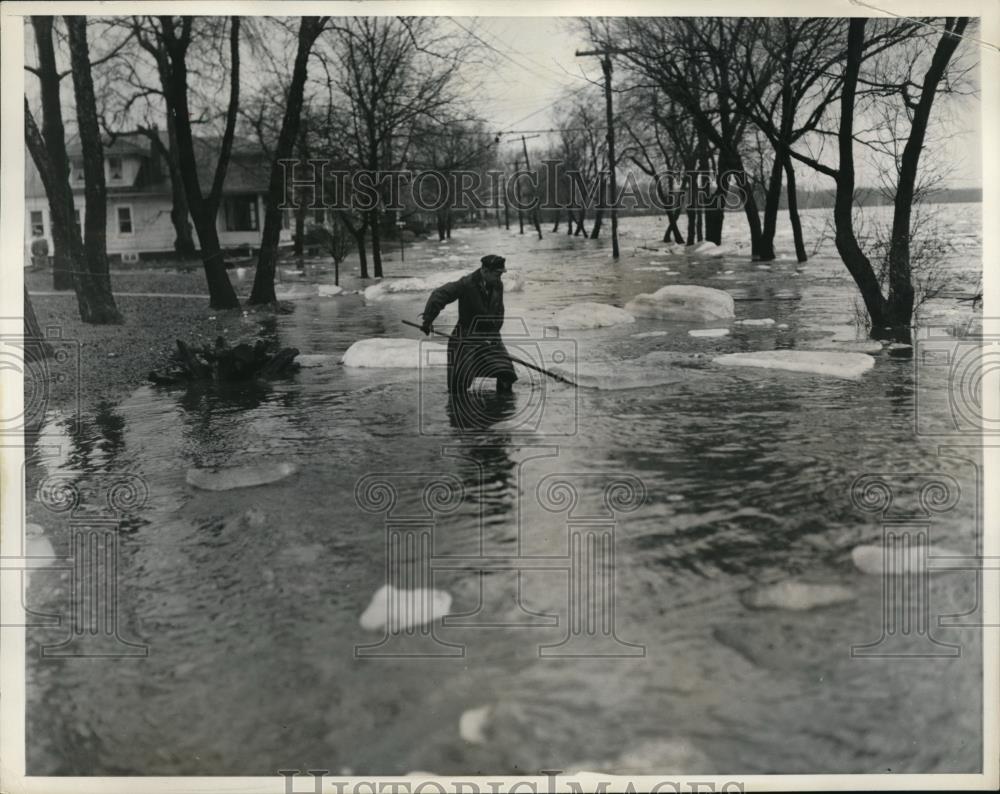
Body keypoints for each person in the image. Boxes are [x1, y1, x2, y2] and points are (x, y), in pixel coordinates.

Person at [420, 254, 517, 395]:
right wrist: (428, 320)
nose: (499, 277)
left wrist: (494, 334)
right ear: (485, 271)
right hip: (465, 336)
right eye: (497, 274)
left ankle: (500, 407)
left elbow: (499, 311)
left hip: (490, 336)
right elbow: (439, 295)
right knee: (459, 383)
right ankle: (457, 411)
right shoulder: (466, 284)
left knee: (506, 374)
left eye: (501, 274)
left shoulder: (497, 284)